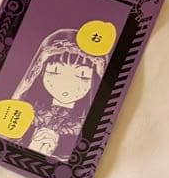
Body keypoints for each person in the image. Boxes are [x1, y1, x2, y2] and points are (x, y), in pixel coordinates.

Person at [11, 28, 109, 159]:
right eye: (55, 72)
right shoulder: (25, 112)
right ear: (40, 71)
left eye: (82, 75)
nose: (67, 84)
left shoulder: (86, 127)